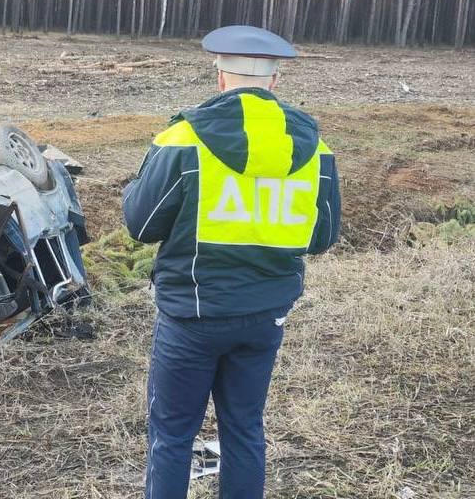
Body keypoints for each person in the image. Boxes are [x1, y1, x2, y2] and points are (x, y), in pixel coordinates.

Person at [122, 25, 341, 499]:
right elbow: (322, 238)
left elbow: (141, 227)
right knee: (244, 429)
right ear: (274, 82)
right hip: (265, 317)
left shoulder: (182, 139)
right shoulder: (316, 150)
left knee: (173, 434)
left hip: (192, 316)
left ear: (219, 75)